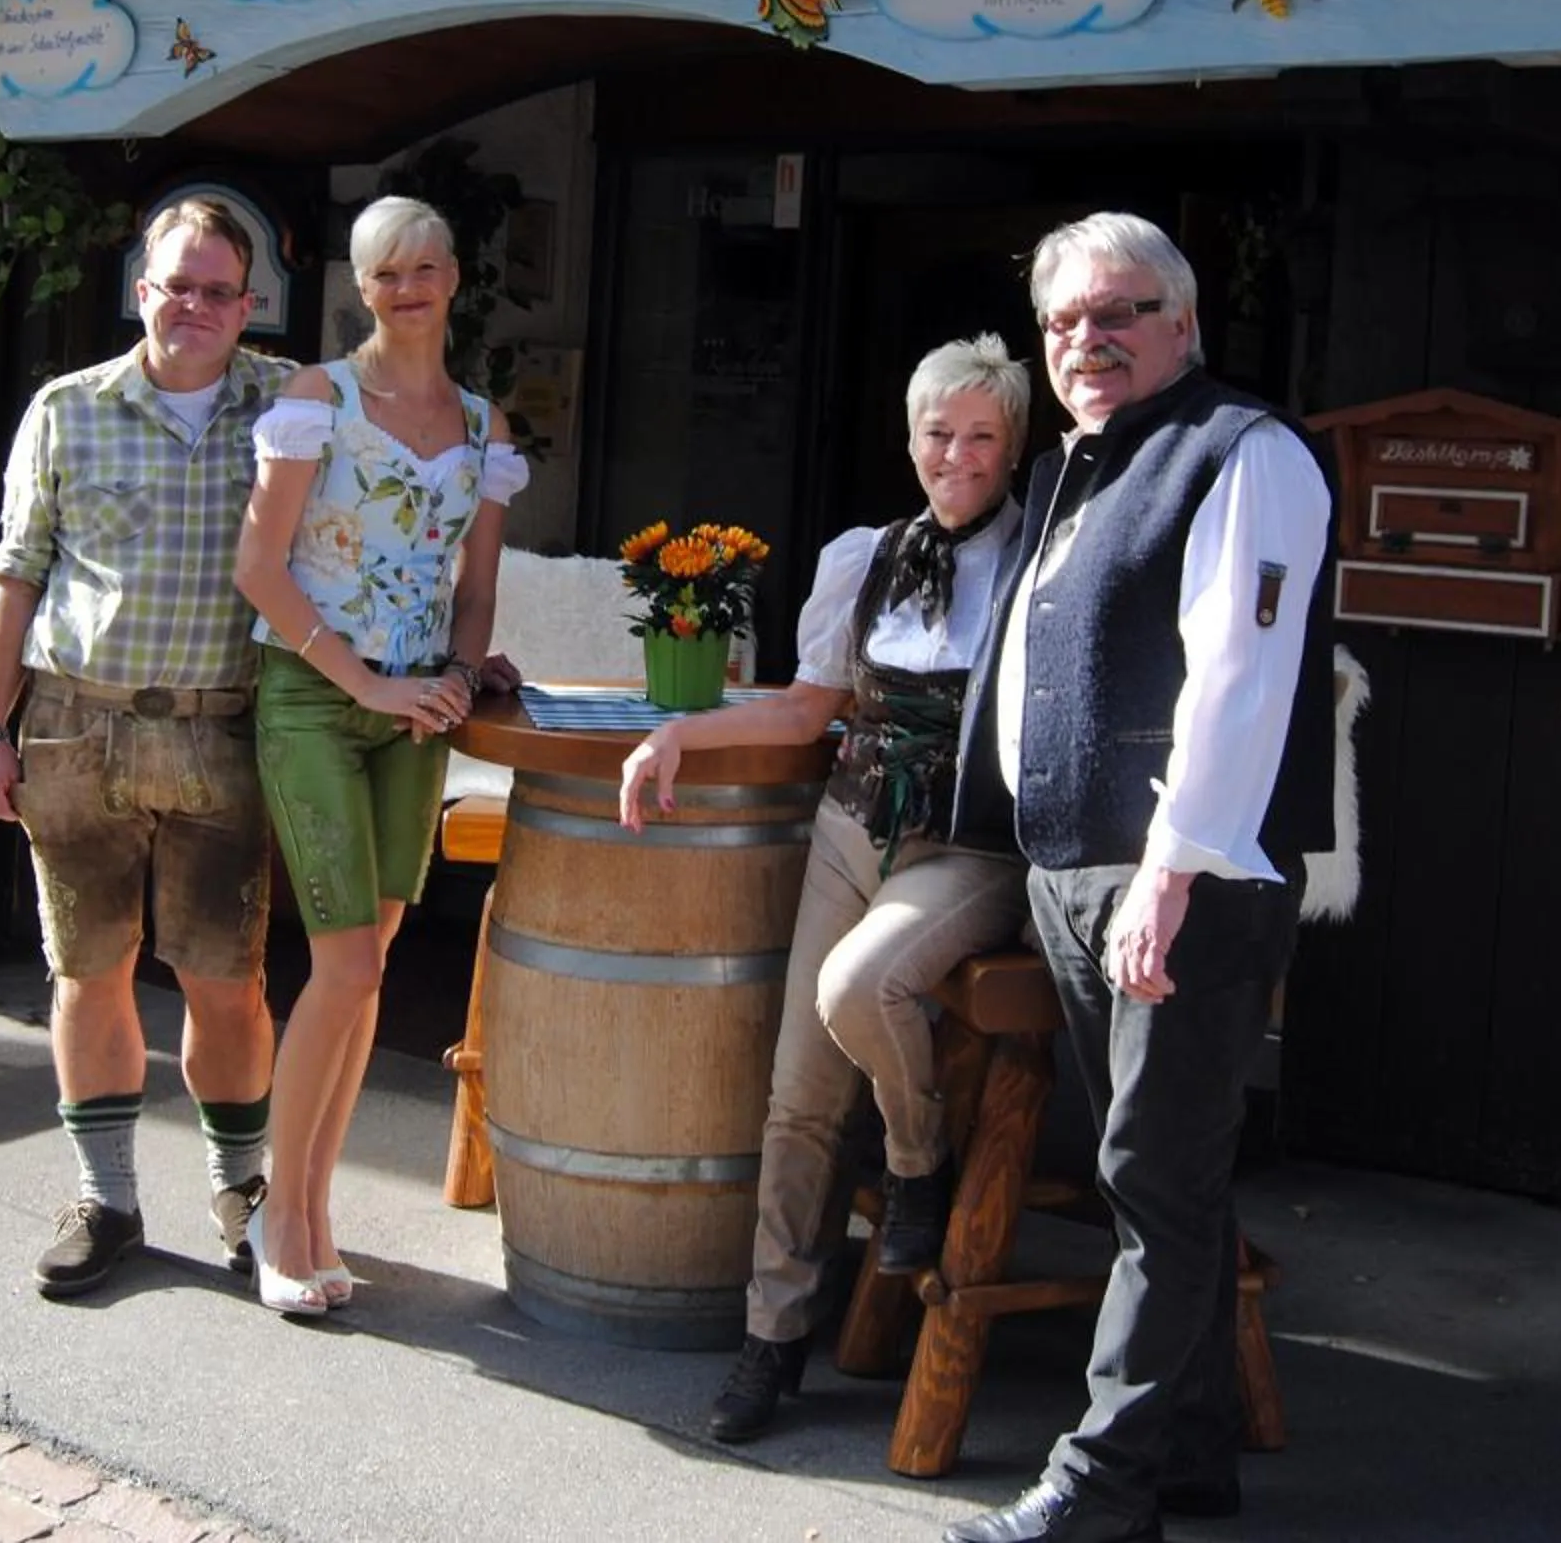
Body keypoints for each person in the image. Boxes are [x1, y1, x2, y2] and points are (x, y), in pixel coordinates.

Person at [940, 212, 1338, 1543]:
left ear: (1182, 324)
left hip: (1180, 874)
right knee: (1161, 1178)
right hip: (1076, 869)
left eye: (1118, 314)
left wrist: (1171, 877)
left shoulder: (1247, 453)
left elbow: (1241, 678)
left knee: (1156, 1181)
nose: (1087, 341)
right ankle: (1193, 1454)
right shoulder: (1076, 466)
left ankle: (1101, 1492)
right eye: (1064, 322)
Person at [617, 335, 1033, 1444]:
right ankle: (774, 1336)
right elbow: (807, 711)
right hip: (852, 826)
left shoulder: (1044, 559)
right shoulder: (867, 554)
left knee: (859, 989)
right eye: (939, 433)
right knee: (797, 1096)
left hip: (968, 847)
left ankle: (915, 1158)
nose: (958, 455)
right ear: (909, 440)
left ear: (1014, 446)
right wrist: (680, 730)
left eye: (982, 435)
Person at [0, 191, 291, 1300]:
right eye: (173, 284)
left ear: (248, 305)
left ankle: (244, 1201)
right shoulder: (67, 408)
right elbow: (16, 575)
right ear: (139, 290)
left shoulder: (295, 409)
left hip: (225, 730)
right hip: (74, 724)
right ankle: (107, 1199)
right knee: (87, 970)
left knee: (225, 982)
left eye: (215, 290)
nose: (191, 305)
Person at [233, 193, 526, 1318]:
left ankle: (309, 1203)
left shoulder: (486, 428)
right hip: (316, 696)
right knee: (346, 967)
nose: (406, 287)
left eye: (424, 267)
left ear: (454, 275)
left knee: (368, 975)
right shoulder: (320, 399)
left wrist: (462, 668)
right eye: (384, 272)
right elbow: (263, 567)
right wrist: (369, 682)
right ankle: (282, 1211)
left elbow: (478, 585)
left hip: (414, 715)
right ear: (363, 287)